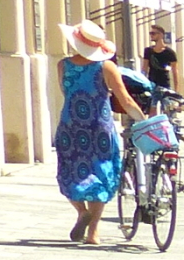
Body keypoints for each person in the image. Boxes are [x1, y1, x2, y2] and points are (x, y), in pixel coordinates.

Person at [54, 19, 145, 245]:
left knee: (70, 169)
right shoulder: (106, 67)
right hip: (99, 126)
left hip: (71, 123)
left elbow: (66, 93)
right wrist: (143, 120)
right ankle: (93, 231)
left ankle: (81, 212)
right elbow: (124, 99)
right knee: (100, 172)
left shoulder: (63, 65)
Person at [141, 26, 179, 106]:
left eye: (153, 33)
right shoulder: (148, 51)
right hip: (152, 84)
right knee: (151, 109)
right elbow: (144, 68)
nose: (151, 35)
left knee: (167, 109)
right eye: (150, 33)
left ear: (161, 35)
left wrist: (176, 90)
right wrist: (142, 84)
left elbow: (175, 72)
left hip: (165, 84)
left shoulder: (170, 52)